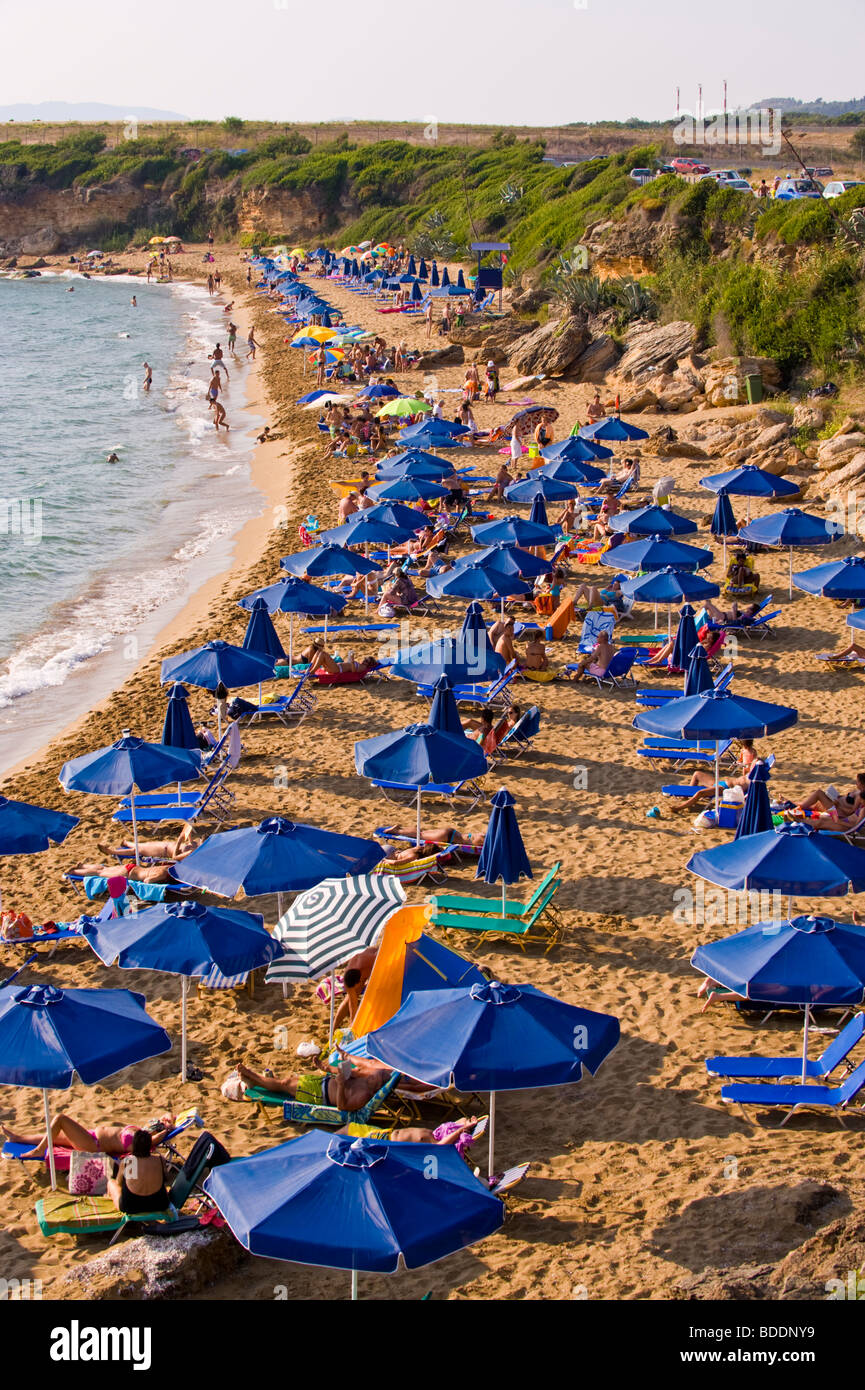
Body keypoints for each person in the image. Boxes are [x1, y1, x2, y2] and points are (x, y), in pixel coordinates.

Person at [234, 1055, 393, 1113]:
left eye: (374, 1078)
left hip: (319, 1095)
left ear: (378, 1086)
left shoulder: (364, 1096)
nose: (370, 1077)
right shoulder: (364, 1082)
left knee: (284, 1083)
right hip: (322, 1082)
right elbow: (348, 1075)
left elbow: (342, 1107)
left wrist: (342, 1085)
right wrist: (325, 1068)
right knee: (288, 1080)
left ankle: (251, 1075)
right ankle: (253, 1081)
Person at [2, 1112, 175, 1161]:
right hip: (91, 1136)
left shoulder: (141, 1141)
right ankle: (18, 1138)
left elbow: (155, 1139)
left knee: (60, 1119)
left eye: (154, 1128)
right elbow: (169, 1114)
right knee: (52, 1135)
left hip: (93, 1145)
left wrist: (166, 1131)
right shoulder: (139, 1131)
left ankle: (39, 1151)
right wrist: (168, 1119)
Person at [107, 1129, 171, 1215]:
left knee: (111, 1183)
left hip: (131, 1207)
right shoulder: (160, 1160)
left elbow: (119, 1182)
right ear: (149, 1145)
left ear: (134, 1145)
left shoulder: (128, 1162)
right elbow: (167, 1179)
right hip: (159, 1204)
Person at [332, 946, 379, 1029]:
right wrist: (352, 1026)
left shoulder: (372, 959)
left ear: (360, 980)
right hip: (361, 969)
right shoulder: (348, 981)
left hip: (376, 960)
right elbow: (353, 1004)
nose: (355, 990)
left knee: (374, 994)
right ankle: (333, 1028)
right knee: (348, 1000)